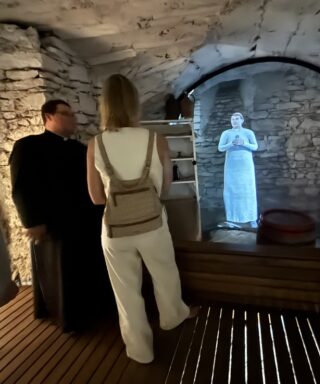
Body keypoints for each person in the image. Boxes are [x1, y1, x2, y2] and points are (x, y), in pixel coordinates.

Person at [86, 74, 197, 364]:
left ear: (105, 105)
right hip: (152, 224)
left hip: (115, 229)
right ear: (134, 102)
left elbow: (96, 198)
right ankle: (172, 317)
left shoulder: (95, 144)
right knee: (165, 274)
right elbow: (165, 188)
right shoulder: (154, 139)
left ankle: (140, 351)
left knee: (125, 292)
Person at [9, 99, 111, 331]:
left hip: (84, 220)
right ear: (48, 116)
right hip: (52, 224)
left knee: (85, 269)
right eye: (66, 114)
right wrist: (32, 222)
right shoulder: (28, 146)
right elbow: (21, 187)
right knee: (59, 274)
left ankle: (91, 311)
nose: (73, 119)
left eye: (72, 114)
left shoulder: (80, 149)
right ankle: (66, 317)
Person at [218, 112, 258, 227]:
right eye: (232, 119)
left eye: (237, 119)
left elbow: (255, 147)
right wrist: (231, 144)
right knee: (231, 190)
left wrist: (244, 143)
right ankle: (232, 218)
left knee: (248, 191)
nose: (234, 121)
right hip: (232, 166)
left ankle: (252, 218)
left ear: (242, 120)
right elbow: (220, 148)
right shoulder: (226, 133)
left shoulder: (248, 132)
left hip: (246, 167)